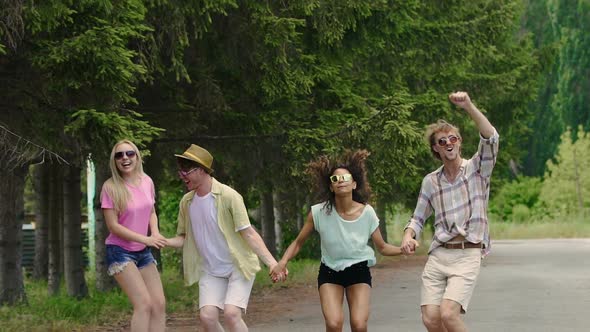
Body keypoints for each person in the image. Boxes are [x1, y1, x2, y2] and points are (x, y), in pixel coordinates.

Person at [270, 149, 417, 332]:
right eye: (335, 179)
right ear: (331, 187)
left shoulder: (367, 213)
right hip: (330, 272)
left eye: (345, 178)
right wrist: (282, 262)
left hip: (358, 271)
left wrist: (403, 249)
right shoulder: (318, 212)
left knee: (359, 324)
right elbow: (298, 242)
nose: (340, 181)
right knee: (333, 324)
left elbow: (383, 247)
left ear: (354, 184)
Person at [401, 91, 499, 332]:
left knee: (449, 315)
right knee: (431, 319)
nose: (449, 144)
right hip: (439, 254)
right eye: (442, 142)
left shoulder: (477, 169)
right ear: (436, 149)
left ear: (459, 141)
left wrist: (468, 106)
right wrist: (408, 236)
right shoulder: (431, 181)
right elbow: (418, 217)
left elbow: (491, 138)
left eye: (452, 139)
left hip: (468, 253)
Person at [165, 144, 285, 332]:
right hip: (211, 269)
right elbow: (183, 238)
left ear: (202, 170)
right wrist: (161, 241)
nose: (182, 176)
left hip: (238, 265)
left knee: (231, 314)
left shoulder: (229, 196)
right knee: (207, 317)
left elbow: (249, 233)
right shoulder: (187, 202)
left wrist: (271, 263)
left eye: (186, 170)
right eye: (181, 171)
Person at [100, 139, 167, 332]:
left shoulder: (147, 181)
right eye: (119, 155)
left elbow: (151, 212)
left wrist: (154, 233)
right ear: (115, 161)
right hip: (120, 252)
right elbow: (113, 226)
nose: (125, 158)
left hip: (142, 251)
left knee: (159, 304)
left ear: (137, 156)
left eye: (130, 153)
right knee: (143, 304)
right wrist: (146, 239)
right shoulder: (110, 187)